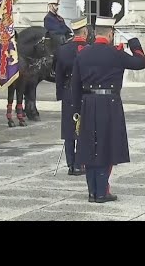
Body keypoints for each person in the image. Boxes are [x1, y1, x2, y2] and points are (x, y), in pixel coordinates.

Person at [71, 16, 145, 203]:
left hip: (88, 103)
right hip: (109, 103)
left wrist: (78, 110)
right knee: (106, 146)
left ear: (95, 33)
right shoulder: (116, 54)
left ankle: (92, 192)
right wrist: (134, 43)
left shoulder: (82, 54)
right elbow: (140, 63)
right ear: (111, 34)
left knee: (90, 146)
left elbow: (75, 85)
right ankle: (102, 192)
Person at [55, 17, 88, 176]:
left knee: (69, 130)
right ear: (85, 31)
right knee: (83, 128)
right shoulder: (88, 48)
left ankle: (71, 165)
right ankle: (80, 163)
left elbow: (58, 75)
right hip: (85, 91)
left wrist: (60, 94)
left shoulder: (63, 49)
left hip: (68, 92)